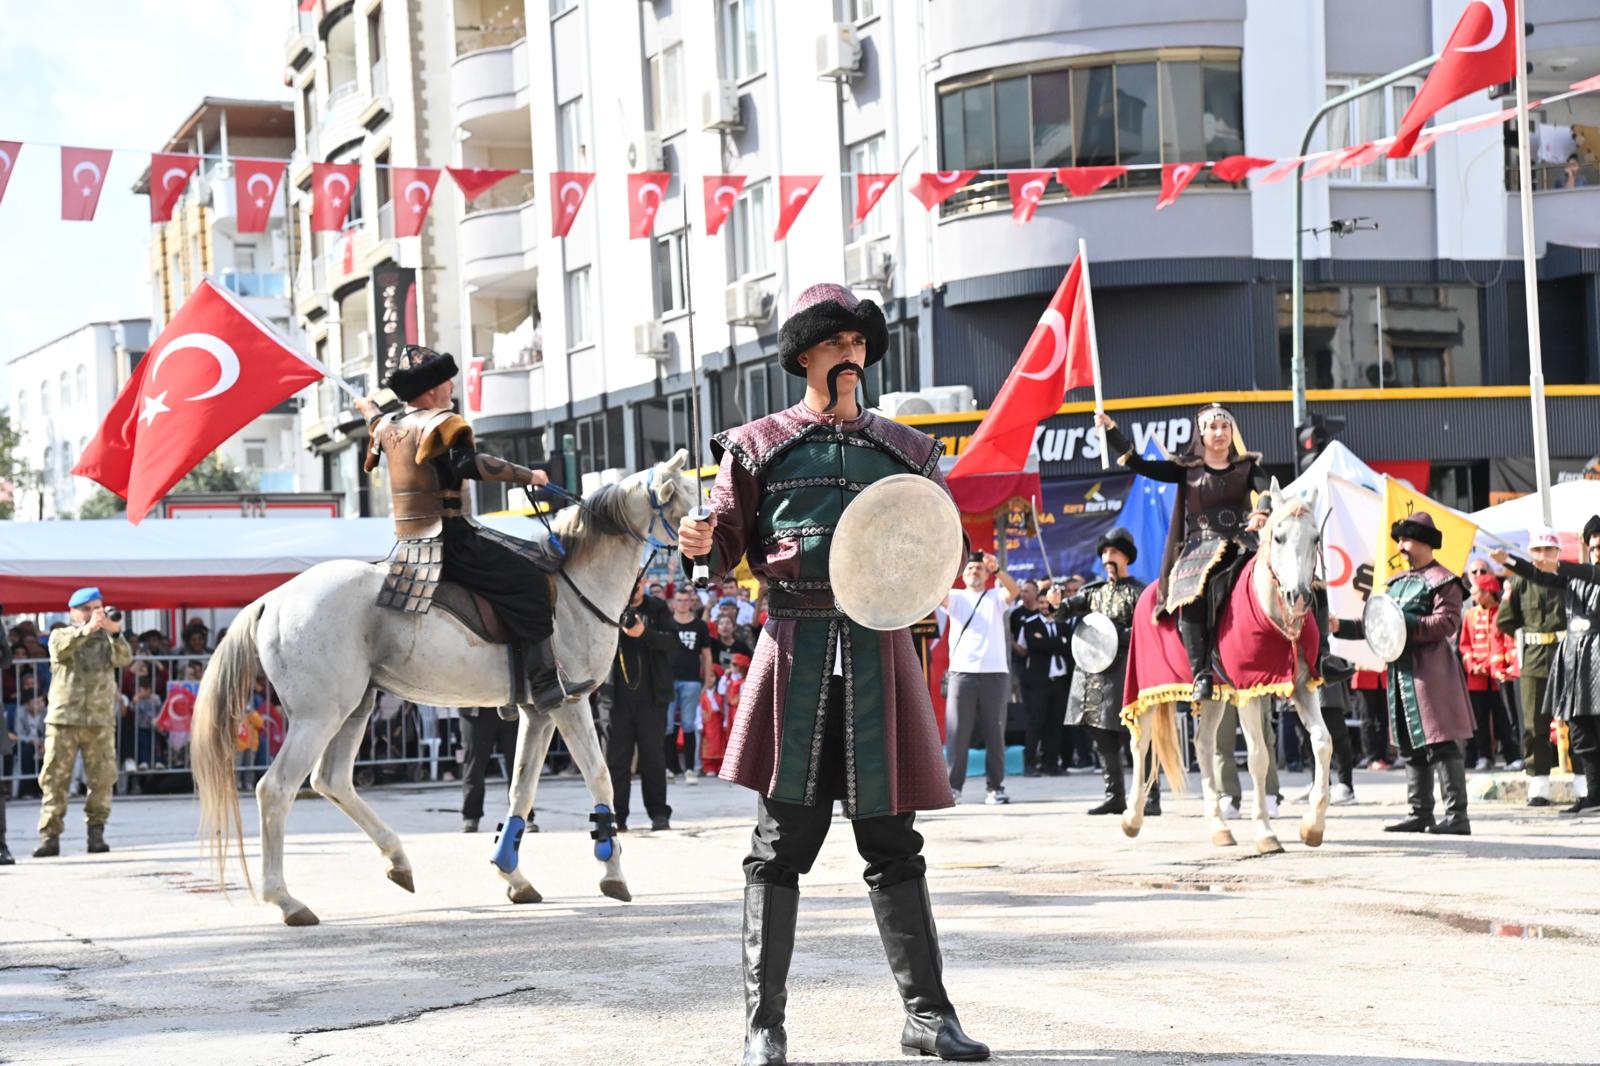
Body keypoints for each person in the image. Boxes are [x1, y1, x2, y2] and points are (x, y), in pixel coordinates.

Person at [678, 283, 987, 1064]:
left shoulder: (907, 450)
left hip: (880, 650)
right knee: (779, 845)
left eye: (859, 343)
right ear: (806, 357)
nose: (852, 354)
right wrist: (697, 536)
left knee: (893, 842)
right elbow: (722, 550)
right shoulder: (756, 444)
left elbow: (937, 546)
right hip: (797, 649)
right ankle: (764, 1027)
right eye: (836, 344)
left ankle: (927, 1016)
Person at [355, 344, 590, 713]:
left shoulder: (388, 425)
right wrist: (528, 474)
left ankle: (510, 684)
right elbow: (470, 464)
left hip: (409, 543)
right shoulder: (445, 423)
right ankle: (543, 682)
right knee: (531, 580)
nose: (452, 389)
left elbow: (375, 421)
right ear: (432, 389)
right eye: (447, 382)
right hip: (452, 541)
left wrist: (368, 409)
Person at [1095, 406, 1271, 702]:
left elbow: (1266, 491)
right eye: (1212, 427)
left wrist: (1262, 511)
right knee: (1192, 594)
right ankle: (1201, 671)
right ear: (1201, 433)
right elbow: (1139, 464)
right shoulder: (1186, 468)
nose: (1219, 433)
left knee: (1295, 577)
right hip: (1200, 547)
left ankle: (1319, 657)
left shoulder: (1248, 466)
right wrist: (1112, 431)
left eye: (1225, 427)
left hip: (1244, 542)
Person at [1334, 513, 1474, 834]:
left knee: (1441, 743)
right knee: (1410, 746)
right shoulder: (1396, 583)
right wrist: (1341, 627)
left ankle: (1457, 817)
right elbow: (1378, 625)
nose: (1400, 546)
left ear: (1424, 542)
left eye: (1405, 540)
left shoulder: (1445, 580)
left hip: (1431, 673)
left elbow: (1447, 622)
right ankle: (1420, 812)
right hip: (1401, 673)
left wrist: (1405, 625)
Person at [1494, 515, 1600, 814]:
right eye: (1593, 547)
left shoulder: (1587, 572)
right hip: (1576, 657)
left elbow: (1592, 573)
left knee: (1597, 723)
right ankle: (1594, 794)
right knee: (1579, 728)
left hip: (1598, 653)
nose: (1597, 552)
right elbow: (1542, 577)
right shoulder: (1575, 576)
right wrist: (1512, 562)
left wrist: (1560, 565)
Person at [1059, 529, 1156, 816]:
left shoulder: (1140, 592)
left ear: (1126, 556)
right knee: (1101, 736)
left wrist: (1116, 634)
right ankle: (1114, 795)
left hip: (1126, 671)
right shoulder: (1093, 592)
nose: (1107, 557)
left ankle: (1150, 797)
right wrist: (1055, 602)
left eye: (1113, 552)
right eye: (1104, 553)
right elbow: (1065, 611)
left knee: (1137, 736)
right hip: (1093, 675)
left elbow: (1149, 628)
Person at [34, 587, 133, 857]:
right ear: (73, 612)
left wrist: (115, 632)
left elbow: (125, 658)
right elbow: (59, 651)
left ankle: (96, 833)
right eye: (87, 609)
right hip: (64, 719)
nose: (94, 614)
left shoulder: (107, 640)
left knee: (101, 780)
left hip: (99, 721)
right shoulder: (61, 634)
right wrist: (86, 629)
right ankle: (49, 837)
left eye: (97, 608)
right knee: (55, 779)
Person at [944, 552, 1021, 806]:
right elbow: (935, 594)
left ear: (986, 574)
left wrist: (997, 568)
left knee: (995, 732)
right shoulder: (955, 597)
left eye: (979, 568)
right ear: (963, 575)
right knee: (957, 734)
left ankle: (995, 787)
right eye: (970, 568)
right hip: (962, 673)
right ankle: (953, 788)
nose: (974, 572)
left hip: (994, 673)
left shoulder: (995, 597)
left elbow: (1014, 590)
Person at [1497, 526, 1565, 806]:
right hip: (1534, 659)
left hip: (1566, 657)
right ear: (1529, 553)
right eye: (1537, 550)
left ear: (1558, 552)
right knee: (1534, 723)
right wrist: (1526, 637)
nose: (1543, 555)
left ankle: (1587, 780)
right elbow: (1504, 619)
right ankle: (1539, 782)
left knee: (1579, 722)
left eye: (1549, 549)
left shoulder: (1568, 579)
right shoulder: (1519, 583)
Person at [605, 576, 677, 832]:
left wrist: (643, 633)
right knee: (616, 761)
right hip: (616, 700)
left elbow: (672, 641)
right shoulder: (610, 604)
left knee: (653, 759)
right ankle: (618, 816)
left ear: (644, 582)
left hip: (652, 699)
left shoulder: (657, 607)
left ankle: (659, 813)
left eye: (637, 583)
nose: (633, 588)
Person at [1458, 569, 1520, 770]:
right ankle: (1484, 756)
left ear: (1488, 591)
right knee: (1479, 719)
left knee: (1504, 717)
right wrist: (1471, 664)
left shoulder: (1502, 611)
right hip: (1476, 676)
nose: (1474, 597)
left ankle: (1512, 756)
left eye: (1477, 593)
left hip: (1498, 674)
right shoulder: (1469, 615)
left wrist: (1493, 665)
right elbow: (1464, 645)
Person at [1013, 580, 1067, 778]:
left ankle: (1051, 764)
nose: (1045, 605)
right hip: (1038, 682)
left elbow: (1067, 647)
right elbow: (1033, 646)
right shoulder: (1030, 623)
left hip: (1059, 681)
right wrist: (1055, 643)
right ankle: (1030, 764)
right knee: (1036, 723)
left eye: (1048, 602)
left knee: (1055, 723)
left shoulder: (1062, 623)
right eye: (1041, 602)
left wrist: (1047, 642)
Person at [664, 588, 715, 782]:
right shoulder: (666, 623)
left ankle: (690, 770)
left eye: (686, 600)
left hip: (691, 681)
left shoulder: (700, 625)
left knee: (688, 724)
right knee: (667, 726)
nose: (683, 603)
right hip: (667, 681)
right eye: (679, 600)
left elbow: (707, 654)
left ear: (691, 603)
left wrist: (707, 678)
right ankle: (670, 768)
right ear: (673, 603)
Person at [459, 706, 521, 833]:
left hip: (511, 704)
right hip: (476, 708)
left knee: (519, 764)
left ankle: (523, 815)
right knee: (474, 766)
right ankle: (471, 816)